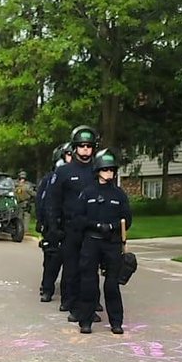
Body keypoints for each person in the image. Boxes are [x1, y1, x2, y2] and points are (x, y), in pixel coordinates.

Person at [73, 148, 132, 334]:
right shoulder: (87, 193)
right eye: (106, 170)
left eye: (112, 170)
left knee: (112, 284)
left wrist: (112, 227)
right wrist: (96, 226)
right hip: (92, 241)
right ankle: (86, 321)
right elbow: (78, 218)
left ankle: (116, 322)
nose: (109, 173)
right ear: (98, 171)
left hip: (112, 243)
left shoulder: (119, 195)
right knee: (88, 284)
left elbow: (127, 219)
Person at [46, 124, 99, 320]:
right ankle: (70, 302)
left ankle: (89, 307)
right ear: (75, 147)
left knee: (90, 270)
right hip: (70, 228)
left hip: (93, 229)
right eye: (82, 146)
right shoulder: (64, 172)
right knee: (72, 269)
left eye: (89, 146)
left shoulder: (98, 171)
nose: (85, 149)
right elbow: (53, 202)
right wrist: (53, 228)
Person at [37, 143, 70, 304]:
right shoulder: (51, 179)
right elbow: (42, 201)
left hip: (70, 223)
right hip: (53, 223)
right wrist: (43, 222)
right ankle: (47, 288)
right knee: (52, 258)